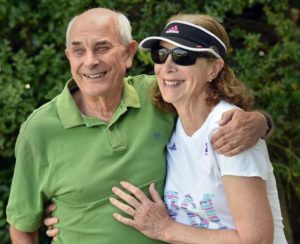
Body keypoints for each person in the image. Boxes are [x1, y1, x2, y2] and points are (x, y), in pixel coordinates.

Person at [6, 8, 270, 244]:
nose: (90, 61)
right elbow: (21, 226)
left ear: (129, 53)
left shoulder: (159, 98)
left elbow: (206, 97)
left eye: (101, 48)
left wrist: (260, 122)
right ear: (69, 57)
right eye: (78, 50)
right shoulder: (40, 130)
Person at [109, 14, 287, 244]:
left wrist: (165, 229)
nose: (167, 67)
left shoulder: (231, 131)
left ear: (214, 69)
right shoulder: (169, 124)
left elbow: (256, 240)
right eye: (160, 55)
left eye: (183, 56)